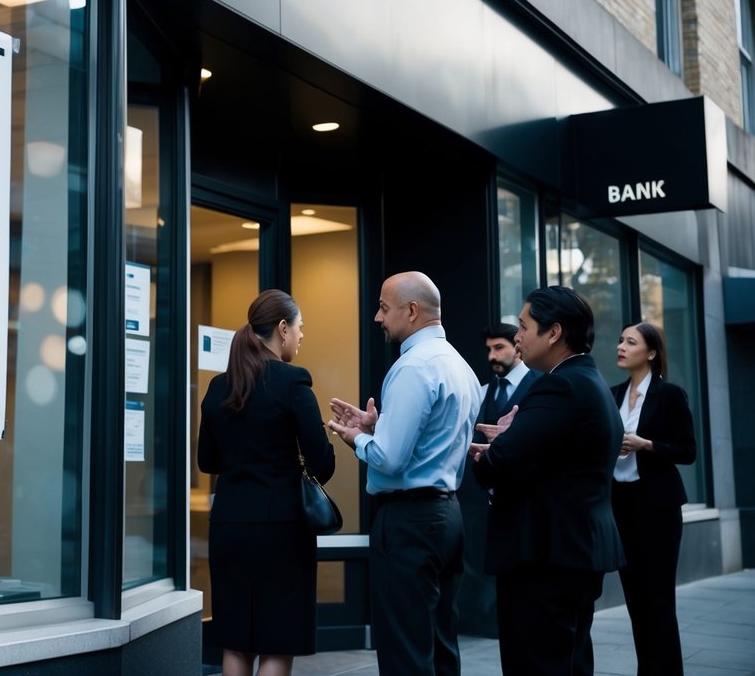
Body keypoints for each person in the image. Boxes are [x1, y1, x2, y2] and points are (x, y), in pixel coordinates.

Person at [327, 271, 479, 676]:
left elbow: (391, 459)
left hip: (409, 522)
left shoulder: (413, 366)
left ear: (412, 311)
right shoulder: (460, 366)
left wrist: (357, 438)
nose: (378, 317)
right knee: (441, 642)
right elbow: (429, 440)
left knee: (404, 651)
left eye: (383, 307)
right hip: (448, 517)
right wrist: (379, 427)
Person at [471, 286, 625, 676]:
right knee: (569, 661)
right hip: (573, 551)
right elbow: (549, 459)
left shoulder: (559, 386)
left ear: (553, 332)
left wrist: (498, 444)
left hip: (545, 559)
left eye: (523, 326)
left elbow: (497, 465)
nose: (517, 336)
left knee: (537, 664)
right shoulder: (590, 382)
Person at [197, 289, 335, 676]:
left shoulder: (218, 387)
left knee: (236, 639)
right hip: (281, 532)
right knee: (277, 639)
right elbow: (322, 465)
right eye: (300, 327)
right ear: (282, 328)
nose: (302, 336)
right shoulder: (293, 382)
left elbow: (206, 461)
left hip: (229, 527)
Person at [611, 322, 697, 676]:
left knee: (658, 600)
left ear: (650, 352)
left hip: (658, 509)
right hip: (622, 507)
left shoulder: (670, 394)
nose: (621, 346)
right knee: (635, 601)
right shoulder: (613, 393)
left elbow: (688, 451)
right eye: (620, 340)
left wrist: (646, 444)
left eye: (630, 342)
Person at [460, 323, 543, 636]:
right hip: (482, 500)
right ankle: (487, 622)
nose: (492, 355)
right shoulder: (483, 390)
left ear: (517, 348)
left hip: (524, 497)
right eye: (489, 349)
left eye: (499, 348)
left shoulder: (540, 385)